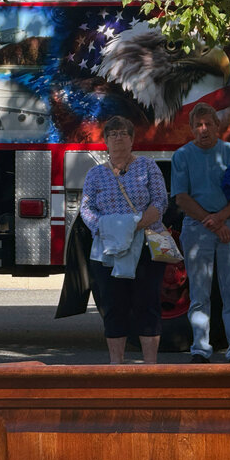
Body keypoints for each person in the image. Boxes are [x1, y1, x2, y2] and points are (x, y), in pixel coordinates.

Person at [80, 115, 169, 364]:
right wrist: (110, 230)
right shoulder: (95, 174)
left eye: (123, 133)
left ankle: (150, 365)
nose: (118, 137)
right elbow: (86, 210)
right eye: (113, 134)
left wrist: (131, 227)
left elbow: (160, 201)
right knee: (114, 305)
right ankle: (115, 365)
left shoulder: (148, 167)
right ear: (106, 141)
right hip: (108, 250)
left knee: (147, 304)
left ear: (132, 139)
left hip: (146, 247)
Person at [171, 102, 230, 363]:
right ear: (192, 129)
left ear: (218, 126)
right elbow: (181, 198)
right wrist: (211, 220)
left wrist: (221, 219)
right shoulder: (182, 156)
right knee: (199, 293)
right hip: (197, 228)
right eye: (198, 125)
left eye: (208, 124)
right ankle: (200, 349)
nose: (203, 130)